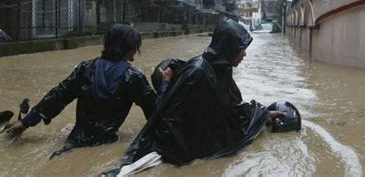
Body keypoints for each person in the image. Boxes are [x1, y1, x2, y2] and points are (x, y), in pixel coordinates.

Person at [106, 19, 285, 175]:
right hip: (175, 147)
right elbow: (168, 115)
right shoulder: (197, 73)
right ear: (229, 48)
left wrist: (263, 115)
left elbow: (233, 107)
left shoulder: (222, 69)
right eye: (242, 49)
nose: (244, 54)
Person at [6, 24, 157, 158]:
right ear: (130, 50)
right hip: (106, 147)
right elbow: (156, 112)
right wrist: (164, 84)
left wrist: (26, 122)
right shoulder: (134, 77)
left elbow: (58, 96)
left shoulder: (85, 69)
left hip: (74, 142)